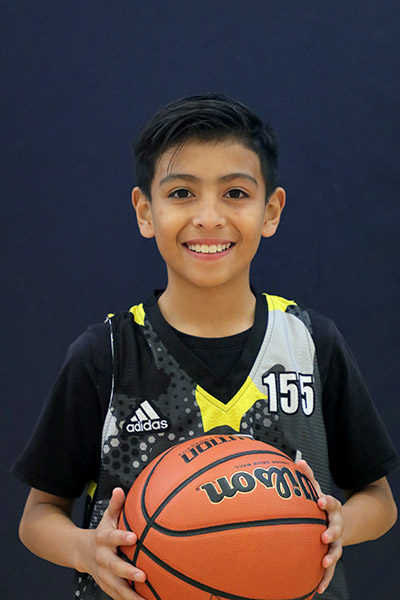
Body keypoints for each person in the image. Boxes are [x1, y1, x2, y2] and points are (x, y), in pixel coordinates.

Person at [12, 94, 399, 600]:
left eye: (236, 193)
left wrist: (338, 524)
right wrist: (87, 549)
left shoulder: (310, 343)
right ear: (145, 212)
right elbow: (38, 516)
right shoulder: (106, 354)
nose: (209, 217)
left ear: (271, 211)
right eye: (182, 193)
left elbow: (380, 501)